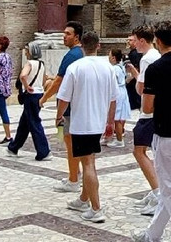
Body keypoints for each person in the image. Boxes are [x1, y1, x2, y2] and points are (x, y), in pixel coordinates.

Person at [132, 21, 171, 242]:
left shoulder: (155, 69)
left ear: (157, 41)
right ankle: (152, 234)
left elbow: (147, 106)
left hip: (167, 132)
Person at [57, 31, 117, 223]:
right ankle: (84, 198)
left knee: (88, 164)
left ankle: (96, 208)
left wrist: (58, 116)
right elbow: (113, 99)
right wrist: (110, 122)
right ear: (98, 45)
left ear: (81, 45)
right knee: (89, 160)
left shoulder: (75, 67)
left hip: (82, 123)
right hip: (98, 123)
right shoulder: (108, 68)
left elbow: (64, 98)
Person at [40, 21, 84, 192]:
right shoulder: (81, 53)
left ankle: (73, 180)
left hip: (70, 107)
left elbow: (59, 81)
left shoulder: (72, 55)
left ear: (77, 37)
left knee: (70, 142)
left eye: (67, 34)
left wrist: (44, 98)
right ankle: (76, 174)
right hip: (78, 105)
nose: (64, 36)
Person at [128, 25, 162, 214]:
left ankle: (158, 192)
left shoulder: (148, 59)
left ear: (142, 40)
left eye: (135, 39)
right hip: (156, 111)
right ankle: (156, 189)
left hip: (148, 112)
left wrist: (136, 78)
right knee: (152, 151)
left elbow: (141, 88)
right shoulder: (156, 55)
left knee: (139, 151)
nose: (133, 44)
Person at [8, 42, 50, 160]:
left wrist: (26, 86)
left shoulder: (29, 63)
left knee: (34, 122)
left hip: (30, 95)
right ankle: (14, 147)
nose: (26, 52)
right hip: (38, 94)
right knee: (25, 122)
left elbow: (22, 76)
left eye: (27, 50)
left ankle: (44, 151)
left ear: (31, 52)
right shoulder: (42, 64)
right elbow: (44, 79)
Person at [107, 48, 131, 147]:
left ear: (113, 57)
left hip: (118, 92)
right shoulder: (120, 67)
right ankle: (108, 136)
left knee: (117, 117)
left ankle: (119, 140)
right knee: (117, 116)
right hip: (122, 91)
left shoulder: (115, 69)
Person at [126, 36, 143, 112]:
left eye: (130, 40)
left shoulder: (136, 54)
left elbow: (136, 67)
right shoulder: (132, 53)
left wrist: (129, 79)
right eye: (128, 40)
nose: (128, 42)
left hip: (134, 82)